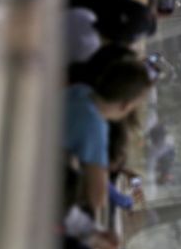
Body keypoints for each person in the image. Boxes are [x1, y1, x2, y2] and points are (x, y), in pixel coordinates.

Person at [64, 58, 154, 212]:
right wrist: (129, 201)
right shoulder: (95, 127)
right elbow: (98, 199)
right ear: (126, 105)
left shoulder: (81, 91)